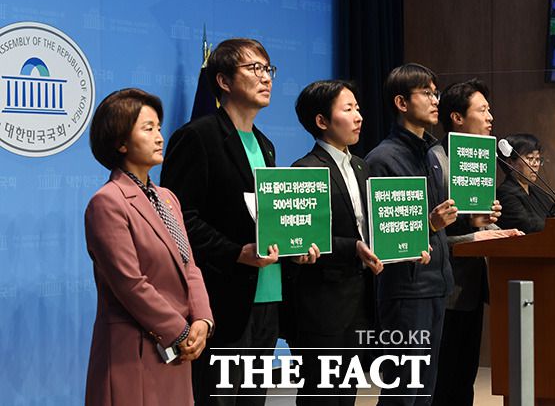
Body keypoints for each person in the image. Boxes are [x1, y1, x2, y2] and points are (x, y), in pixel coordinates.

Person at [161, 38, 288, 405]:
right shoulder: (197, 137)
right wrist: (235, 252)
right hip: (221, 300)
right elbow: (178, 219)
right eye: (254, 68)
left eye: (268, 69)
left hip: (267, 298)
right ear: (223, 81)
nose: (266, 77)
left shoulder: (265, 144)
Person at [84, 88, 213, 406]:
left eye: (159, 127)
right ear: (121, 142)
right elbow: (130, 284)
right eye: (148, 128)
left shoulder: (168, 198)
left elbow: (189, 264)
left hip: (177, 350)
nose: (159, 137)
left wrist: (202, 320)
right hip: (134, 353)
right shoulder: (108, 202)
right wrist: (180, 331)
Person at [289, 80, 387, 405]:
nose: (359, 116)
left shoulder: (361, 165)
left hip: (360, 300)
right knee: (321, 396)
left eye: (357, 108)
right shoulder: (304, 169)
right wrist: (352, 248)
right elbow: (304, 238)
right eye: (348, 109)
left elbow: (372, 227)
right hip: (321, 304)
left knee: (347, 395)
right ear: (321, 121)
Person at [365, 63, 457, 405]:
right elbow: (381, 231)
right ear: (402, 103)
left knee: (424, 393)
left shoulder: (431, 154)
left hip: (436, 284)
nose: (436, 100)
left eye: (436, 93)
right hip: (404, 290)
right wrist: (429, 225)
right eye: (427, 93)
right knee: (402, 394)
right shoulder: (382, 159)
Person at [432, 79, 521, 406]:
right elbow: (430, 231)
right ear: (457, 117)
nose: (490, 117)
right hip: (441, 289)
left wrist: (486, 221)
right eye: (482, 110)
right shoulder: (436, 161)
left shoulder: (480, 160)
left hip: (471, 286)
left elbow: (472, 222)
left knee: (464, 381)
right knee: (441, 383)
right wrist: (476, 232)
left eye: (489, 110)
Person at [496, 133, 555, 233]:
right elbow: (530, 227)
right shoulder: (505, 194)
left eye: (538, 159)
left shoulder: (536, 192)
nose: (536, 164)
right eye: (530, 158)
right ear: (510, 163)